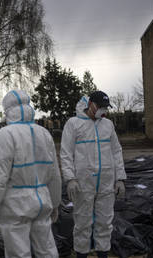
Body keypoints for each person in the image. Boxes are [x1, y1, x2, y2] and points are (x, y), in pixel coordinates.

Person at [0, 90, 62, 258]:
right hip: (42, 201)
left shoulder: (6, 134)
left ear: (8, 110)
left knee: (18, 253)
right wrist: (55, 203)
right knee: (47, 251)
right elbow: (54, 174)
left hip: (16, 205)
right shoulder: (44, 133)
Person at [60, 91, 126, 258]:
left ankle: (103, 254)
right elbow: (66, 153)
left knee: (104, 222)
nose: (103, 111)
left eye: (105, 108)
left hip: (106, 183)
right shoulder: (73, 124)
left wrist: (120, 178)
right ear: (91, 104)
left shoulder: (107, 125)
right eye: (101, 107)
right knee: (82, 223)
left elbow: (116, 151)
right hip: (83, 184)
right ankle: (82, 254)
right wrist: (71, 179)